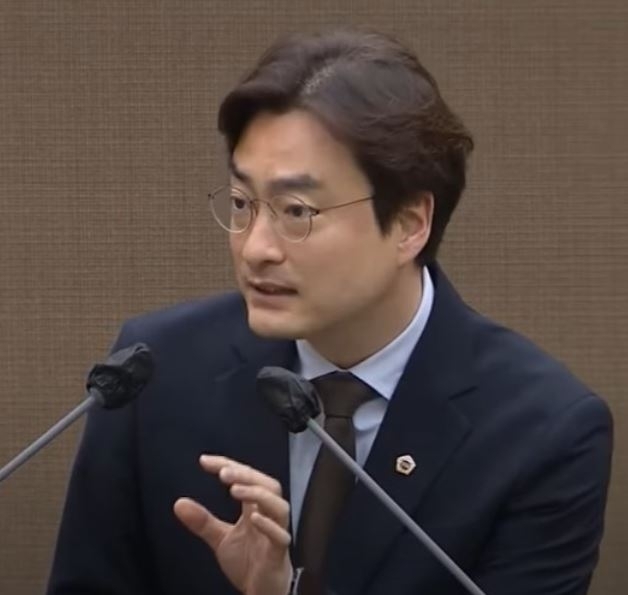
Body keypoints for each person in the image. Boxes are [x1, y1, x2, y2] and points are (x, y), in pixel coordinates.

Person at [46, 29, 613, 595]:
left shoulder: (544, 434)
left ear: (410, 224)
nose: (255, 248)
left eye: (297, 211)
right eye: (242, 203)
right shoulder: (153, 373)